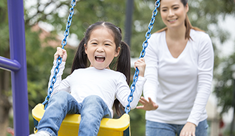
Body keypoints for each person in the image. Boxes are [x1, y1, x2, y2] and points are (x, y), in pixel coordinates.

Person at [30, 21, 146, 136]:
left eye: (106, 44)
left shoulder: (117, 77)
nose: (100, 49)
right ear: (86, 48)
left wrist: (140, 76)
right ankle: (46, 132)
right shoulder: (77, 73)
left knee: (92, 100)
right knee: (61, 96)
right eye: (95, 43)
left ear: (117, 51)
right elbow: (54, 95)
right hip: (74, 109)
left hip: (99, 113)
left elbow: (129, 103)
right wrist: (58, 65)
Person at [136, 0, 214, 136]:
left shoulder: (202, 41)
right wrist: (150, 100)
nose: (170, 14)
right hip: (159, 120)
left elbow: (205, 84)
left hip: (195, 119)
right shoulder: (154, 41)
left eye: (175, 8)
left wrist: (192, 122)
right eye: (165, 10)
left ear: (186, 7)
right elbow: (151, 77)